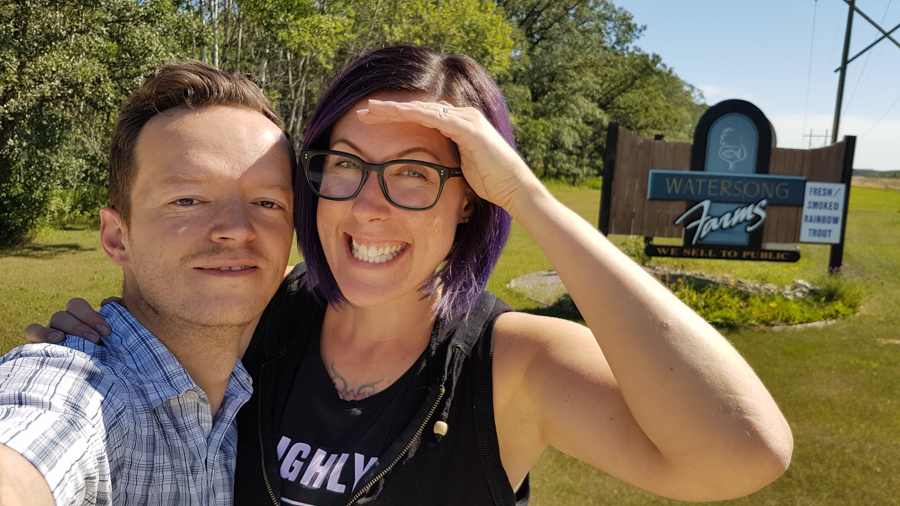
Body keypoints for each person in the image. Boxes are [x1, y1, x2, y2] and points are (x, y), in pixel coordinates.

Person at [29, 46, 793, 505]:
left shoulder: (513, 363)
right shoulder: (259, 317)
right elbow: (71, 412)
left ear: (470, 200)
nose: (369, 209)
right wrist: (97, 342)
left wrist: (530, 198)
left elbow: (743, 449)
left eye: (416, 176)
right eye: (348, 166)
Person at [2, 61, 296, 505]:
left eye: (267, 202)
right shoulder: (82, 392)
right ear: (118, 237)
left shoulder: (267, 377)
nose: (237, 228)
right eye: (188, 199)